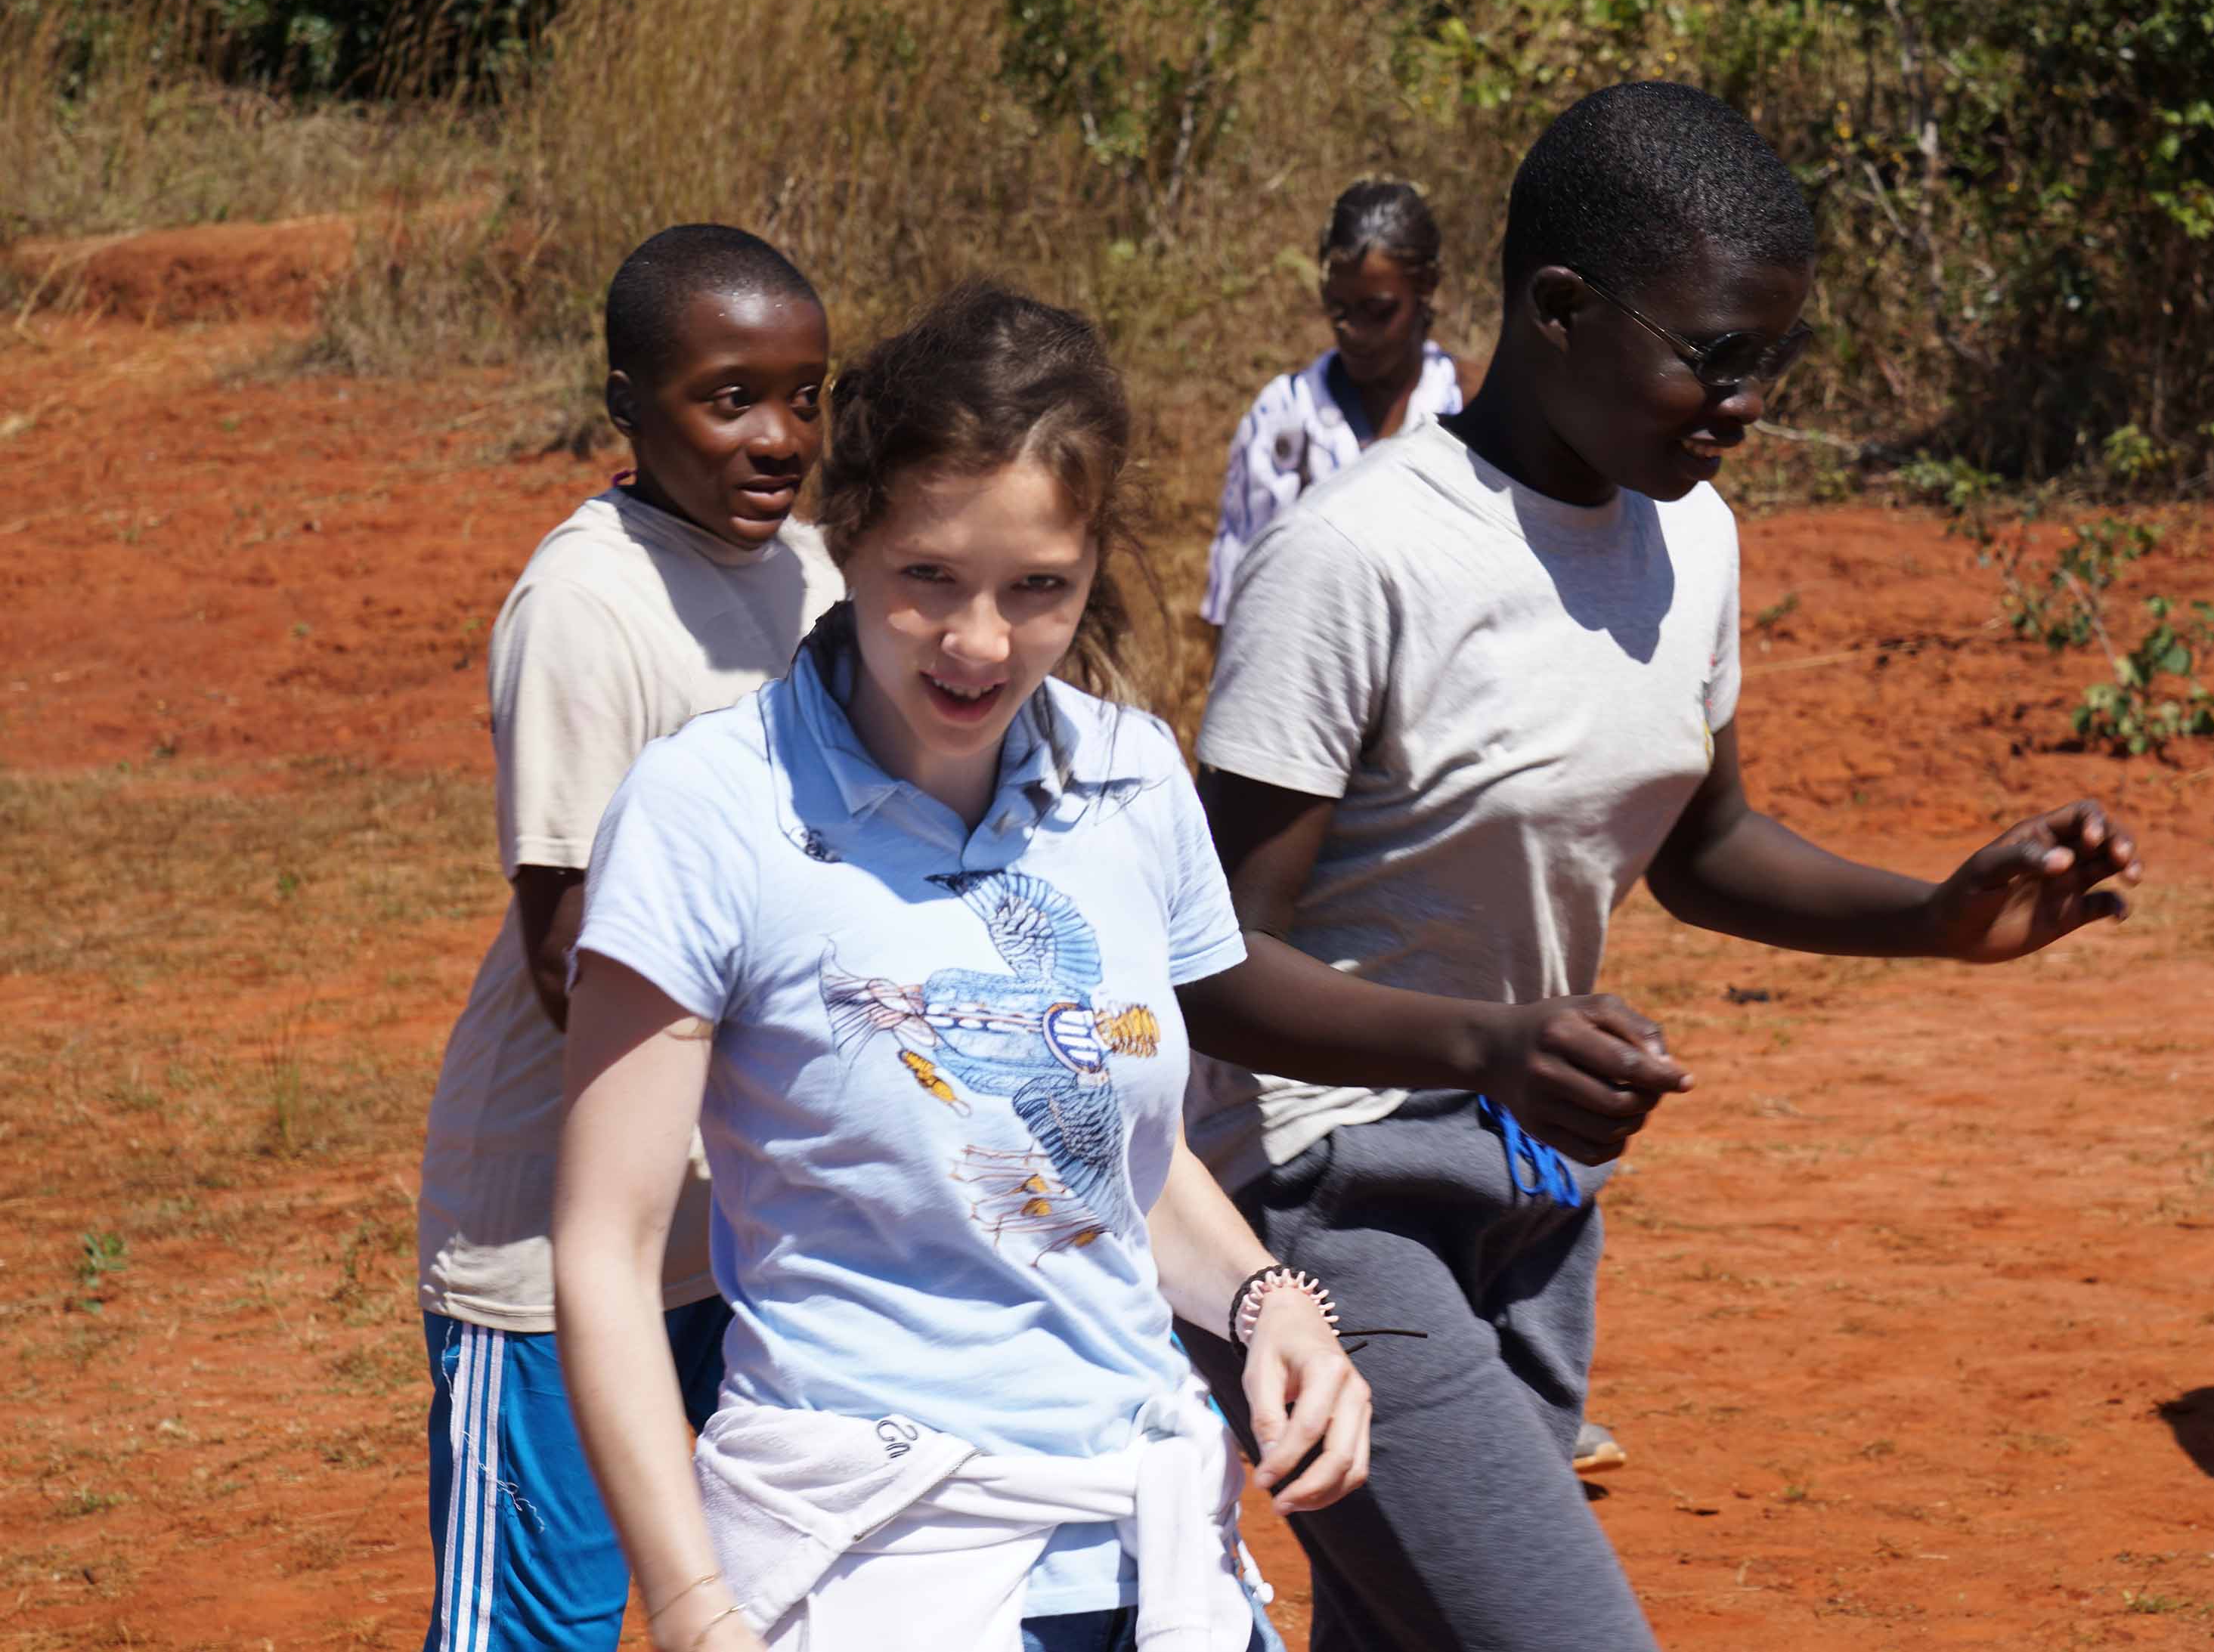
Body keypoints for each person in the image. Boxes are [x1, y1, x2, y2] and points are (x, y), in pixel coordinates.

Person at [550, 281, 1695, 1652]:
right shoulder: (709, 808)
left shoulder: (1130, 776)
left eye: (1040, 587)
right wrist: (694, 1610)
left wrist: (1269, 1303)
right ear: (845, 534)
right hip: (870, 1549)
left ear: (1095, 560)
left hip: (1150, 1536)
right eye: (929, 578)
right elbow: (606, 1250)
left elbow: (1119, 1159)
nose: (980, 643)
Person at [1181, 81, 2141, 1650]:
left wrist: (1934, 917)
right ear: (1559, 307)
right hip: (1321, 1198)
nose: (1747, 402)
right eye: (1716, 353)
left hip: (1527, 1192)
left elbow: (1705, 847)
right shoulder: (1356, 558)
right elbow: (1208, 965)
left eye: (1773, 359)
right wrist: (1489, 1039)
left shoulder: (1691, 540)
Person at [415, 224, 841, 1651]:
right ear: (626, 402)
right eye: (730, 398)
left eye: (806, 396)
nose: (779, 437)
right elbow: (569, 958)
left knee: (770, 1599)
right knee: (541, 1625)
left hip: (747, 1229)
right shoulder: (588, 606)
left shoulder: (819, 581)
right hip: (552, 1238)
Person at [1197, 179, 1465, 628]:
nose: (1353, 331)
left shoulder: (1463, 410)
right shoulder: (1284, 416)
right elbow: (1235, 597)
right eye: (1338, 309)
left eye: (1378, 311)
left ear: (1426, 287)